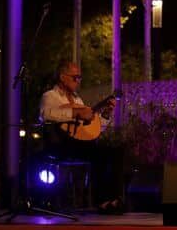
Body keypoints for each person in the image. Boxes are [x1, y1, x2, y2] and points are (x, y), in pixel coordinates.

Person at [39, 61, 124, 214]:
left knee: (116, 151)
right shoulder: (50, 96)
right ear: (62, 77)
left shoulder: (78, 100)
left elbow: (89, 130)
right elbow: (46, 114)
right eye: (75, 77)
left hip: (79, 144)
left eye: (79, 78)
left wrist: (105, 114)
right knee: (99, 153)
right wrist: (74, 113)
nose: (78, 81)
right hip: (60, 145)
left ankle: (115, 199)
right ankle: (102, 201)